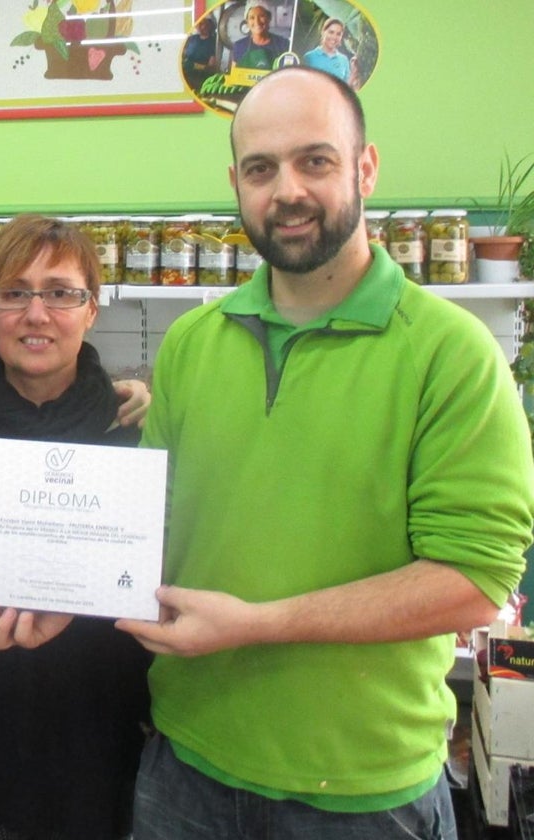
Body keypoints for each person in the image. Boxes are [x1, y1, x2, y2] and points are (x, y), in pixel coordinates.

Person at [114, 66, 534, 838]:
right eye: (261, 168)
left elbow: (474, 581)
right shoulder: (191, 346)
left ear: (365, 167)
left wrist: (257, 623)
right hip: (185, 769)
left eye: (316, 160)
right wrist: (51, 593)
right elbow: (152, 532)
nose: (288, 191)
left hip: (364, 795)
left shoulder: (452, 354)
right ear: (236, 183)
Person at [0, 215, 152, 840]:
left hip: (104, 748)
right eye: (13, 293)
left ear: (92, 309)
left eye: (60, 293)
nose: (36, 314)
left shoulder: (139, 437)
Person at [230, 1, 291, 70]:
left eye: (261, 16)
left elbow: (288, 74)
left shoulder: (283, 44)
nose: (257, 22)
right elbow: (234, 75)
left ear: (269, 18)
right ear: (247, 22)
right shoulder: (239, 46)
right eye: (252, 18)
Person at [303, 18, 351, 82]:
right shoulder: (309, 57)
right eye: (331, 32)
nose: (334, 37)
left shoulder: (344, 60)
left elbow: (346, 87)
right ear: (323, 32)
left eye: (338, 34)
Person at [182, 14, 218, 91]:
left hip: (201, 80)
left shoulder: (214, 42)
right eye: (197, 23)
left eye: (202, 23)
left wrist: (195, 66)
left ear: (209, 25)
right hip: (186, 77)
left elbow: (211, 68)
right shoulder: (191, 39)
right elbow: (183, 55)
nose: (199, 26)